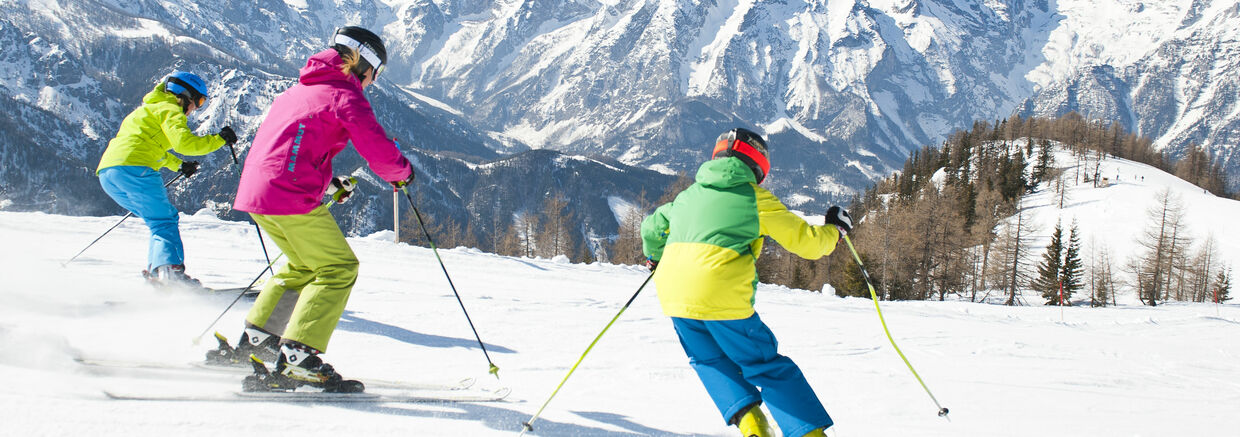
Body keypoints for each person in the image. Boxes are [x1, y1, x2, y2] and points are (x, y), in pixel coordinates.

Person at [205, 26, 414, 393]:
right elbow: (376, 147)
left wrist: (326, 185)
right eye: (375, 74)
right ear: (365, 66)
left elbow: (295, 146)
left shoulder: (300, 89)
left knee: (302, 265)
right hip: (288, 193)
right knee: (338, 267)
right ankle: (299, 357)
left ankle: (258, 339)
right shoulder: (344, 94)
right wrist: (402, 173)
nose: (372, 82)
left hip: (259, 193)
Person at [640, 128, 853, 437]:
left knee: (708, 359)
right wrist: (836, 230)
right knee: (765, 364)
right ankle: (808, 433)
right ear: (759, 165)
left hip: (674, 295)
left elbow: (651, 227)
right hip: (722, 296)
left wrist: (655, 257)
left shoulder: (686, 197)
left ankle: (753, 425)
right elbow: (807, 243)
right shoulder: (755, 198)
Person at [96, 71, 237, 289]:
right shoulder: (171, 109)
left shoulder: (146, 110)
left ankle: (159, 273)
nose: (196, 109)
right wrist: (219, 140)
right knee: (164, 221)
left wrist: (178, 165)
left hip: (108, 173)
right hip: (136, 170)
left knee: (158, 221)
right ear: (186, 95)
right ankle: (170, 273)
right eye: (199, 101)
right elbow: (185, 144)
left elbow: (150, 148)